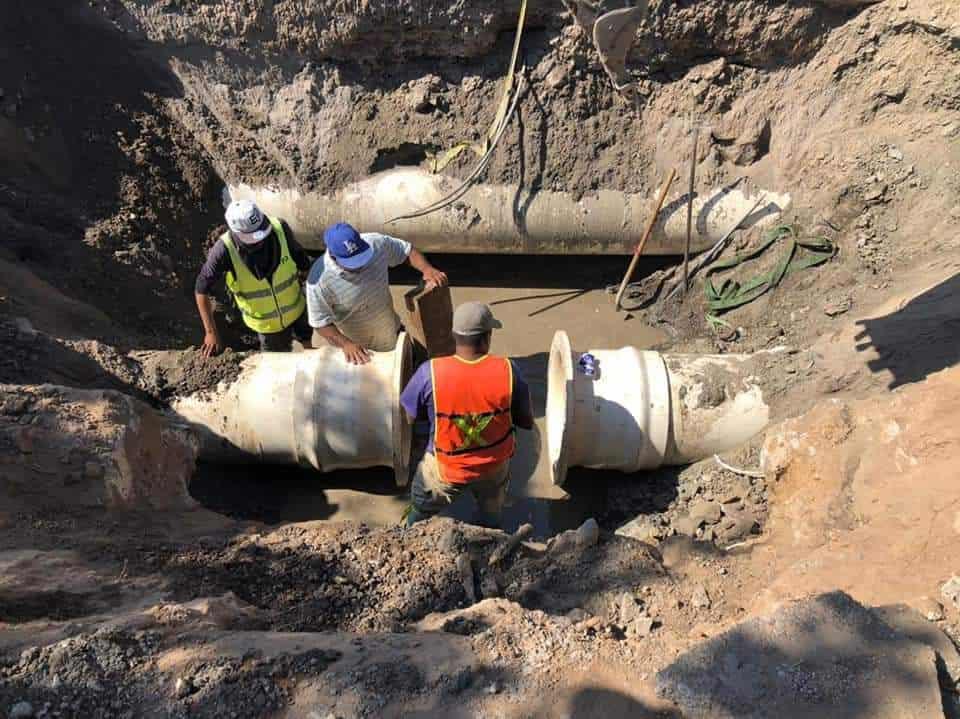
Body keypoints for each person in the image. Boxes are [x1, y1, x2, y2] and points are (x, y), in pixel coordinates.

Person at [400, 302, 535, 527]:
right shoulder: (509, 370)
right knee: (492, 512)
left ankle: (407, 533)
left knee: (419, 506)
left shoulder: (430, 372)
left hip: (445, 469)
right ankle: (491, 536)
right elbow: (526, 422)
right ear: (487, 337)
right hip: (493, 467)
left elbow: (410, 418)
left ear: (454, 335)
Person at [306, 222, 447, 365]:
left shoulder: (376, 243)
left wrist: (427, 269)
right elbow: (320, 322)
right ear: (334, 256)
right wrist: (346, 344)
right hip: (360, 352)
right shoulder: (318, 281)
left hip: (392, 332)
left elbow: (406, 251)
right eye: (351, 263)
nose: (359, 265)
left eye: (361, 257)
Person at [195, 200, 313, 356]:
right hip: (267, 326)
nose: (261, 240)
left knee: (308, 345)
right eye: (254, 237)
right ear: (236, 232)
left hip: (297, 309)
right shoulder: (224, 250)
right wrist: (210, 332)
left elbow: (302, 261)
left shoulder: (279, 228)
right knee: (275, 361)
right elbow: (201, 289)